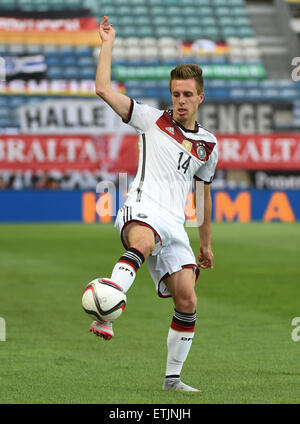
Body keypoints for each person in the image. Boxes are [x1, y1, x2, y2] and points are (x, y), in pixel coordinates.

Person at [84, 16, 218, 392]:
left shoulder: (208, 144)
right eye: (175, 93)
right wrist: (107, 42)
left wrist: (205, 243)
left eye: (187, 94)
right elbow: (102, 89)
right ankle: (106, 311)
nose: (180, 100)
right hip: (142, 207)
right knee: (143, 242)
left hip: (176, 224)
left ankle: (172, 379)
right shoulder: (150, 119)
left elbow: (203, 194)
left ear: (200, 96)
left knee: (188, 300)